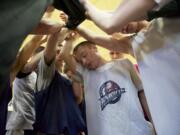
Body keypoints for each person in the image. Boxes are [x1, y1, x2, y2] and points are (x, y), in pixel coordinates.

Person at [61, 39, 154, 135]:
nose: (84, 62)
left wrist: (154, 122)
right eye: (80, 61)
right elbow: (64, 54)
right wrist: (69, 38)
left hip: (137, 130)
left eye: (84, 55)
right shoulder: (86, 75)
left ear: (94, 48)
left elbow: (142, 92)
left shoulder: (124, 64)